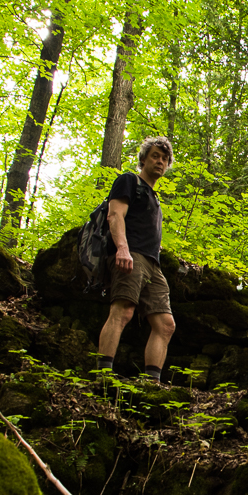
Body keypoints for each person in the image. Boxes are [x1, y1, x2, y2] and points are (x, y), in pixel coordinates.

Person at [95, 137, 175, 381]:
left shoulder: (154, 198)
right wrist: (122, 248)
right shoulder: (129, 181)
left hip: (153, 264)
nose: (160, 161)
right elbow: (115, 215)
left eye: (164, 159)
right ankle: (103, 377)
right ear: (143, 159)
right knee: (123, 311)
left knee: (165, 324)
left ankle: (151, 383)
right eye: (155, 156)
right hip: (130, 255)